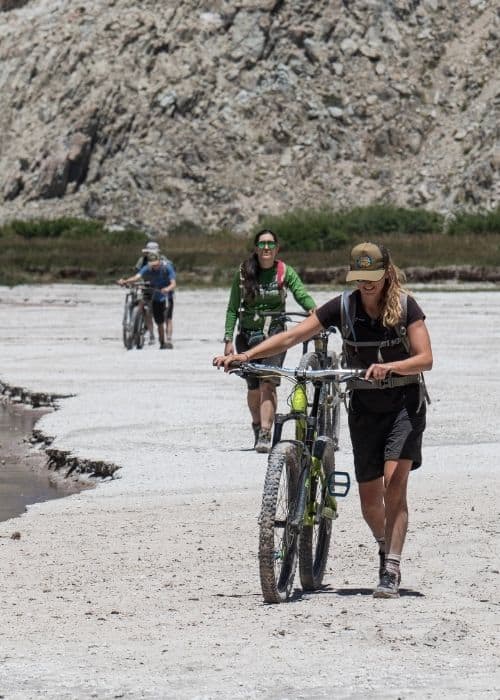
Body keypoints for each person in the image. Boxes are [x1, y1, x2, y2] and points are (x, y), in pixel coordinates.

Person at [214, 242, 433, 598]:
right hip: (364, 407)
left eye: (373, 278)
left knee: (394, 482)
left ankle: (391, 566)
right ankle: (384, 542)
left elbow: (425, 358)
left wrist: (389, 366)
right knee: (368, 502)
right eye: (360, 278)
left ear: (387, 273)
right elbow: (294, 335)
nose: (367, 285)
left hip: (403, 405)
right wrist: (245, 355)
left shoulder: (406, 306)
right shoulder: (344, 306)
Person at [222, 229, 316, 453]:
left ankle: (266, 432)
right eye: (262, 244)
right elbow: (233, 307)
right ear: (256, 248)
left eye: (270, 244)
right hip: (247, 337)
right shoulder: (244, 273)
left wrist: (313, 310)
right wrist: (228, 339)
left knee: (268, 383)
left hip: (275, 338)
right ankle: (257, 427)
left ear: (277, 248)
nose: (266, 248)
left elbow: (300, 293)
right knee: (253, 386)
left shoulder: (284, 271)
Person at [118, 252, 176, 349]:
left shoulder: (167, 268)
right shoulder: (147, 268)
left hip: (161, 294)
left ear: (160, 262)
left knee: (160, 321)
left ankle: (163, 342)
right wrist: (125, 281)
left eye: (156, 264)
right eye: (152, 264)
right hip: (151, 288)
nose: (154, 267)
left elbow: (173, 283)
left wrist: (167, 289)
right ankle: (137, 324)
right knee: (142, 301)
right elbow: (137, 277)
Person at [134, 241, 163, 344]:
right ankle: (151, 334)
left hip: (158, 288)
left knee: (154, 311)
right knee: (146, 309)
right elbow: (137, 273)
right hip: (145, 286)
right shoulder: (142, 260)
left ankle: (160, 335)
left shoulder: (162, 260)